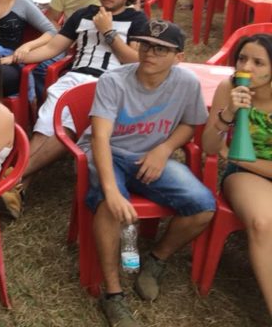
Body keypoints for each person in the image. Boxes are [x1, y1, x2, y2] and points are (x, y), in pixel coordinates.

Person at [85, 20, 215, 326]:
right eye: (144, 45)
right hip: (112, 153)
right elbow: (100, 138)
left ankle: (157, 258)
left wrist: (165, 148)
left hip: (153, 156)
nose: (149, 53)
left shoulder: (187, 83)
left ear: (179, 57)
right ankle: (113, 294)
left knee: (204, 208)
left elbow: (190, 124)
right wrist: (113, 193)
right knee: (108, 206)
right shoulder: (113, 80)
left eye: (160, 48)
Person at [2, 0, 148, 218]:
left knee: (64, 123)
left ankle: (10, 177)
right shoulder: (83, 14)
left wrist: (109, 32)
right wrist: (17, 59)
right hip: (74, 78)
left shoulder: (137, 20)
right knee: (47, 123)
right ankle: (15, 188)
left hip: (111, 84)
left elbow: (133, 62)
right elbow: (53, 48)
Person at [201, 33, 272, 317]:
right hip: (244, 175)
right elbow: (209, 146)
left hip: (248, 162)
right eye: (242, 58)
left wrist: (230, 152)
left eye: (258, 62)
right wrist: (228, 112)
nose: (247, 67)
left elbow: (224, 150)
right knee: (263, 222)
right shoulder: (229, 87)